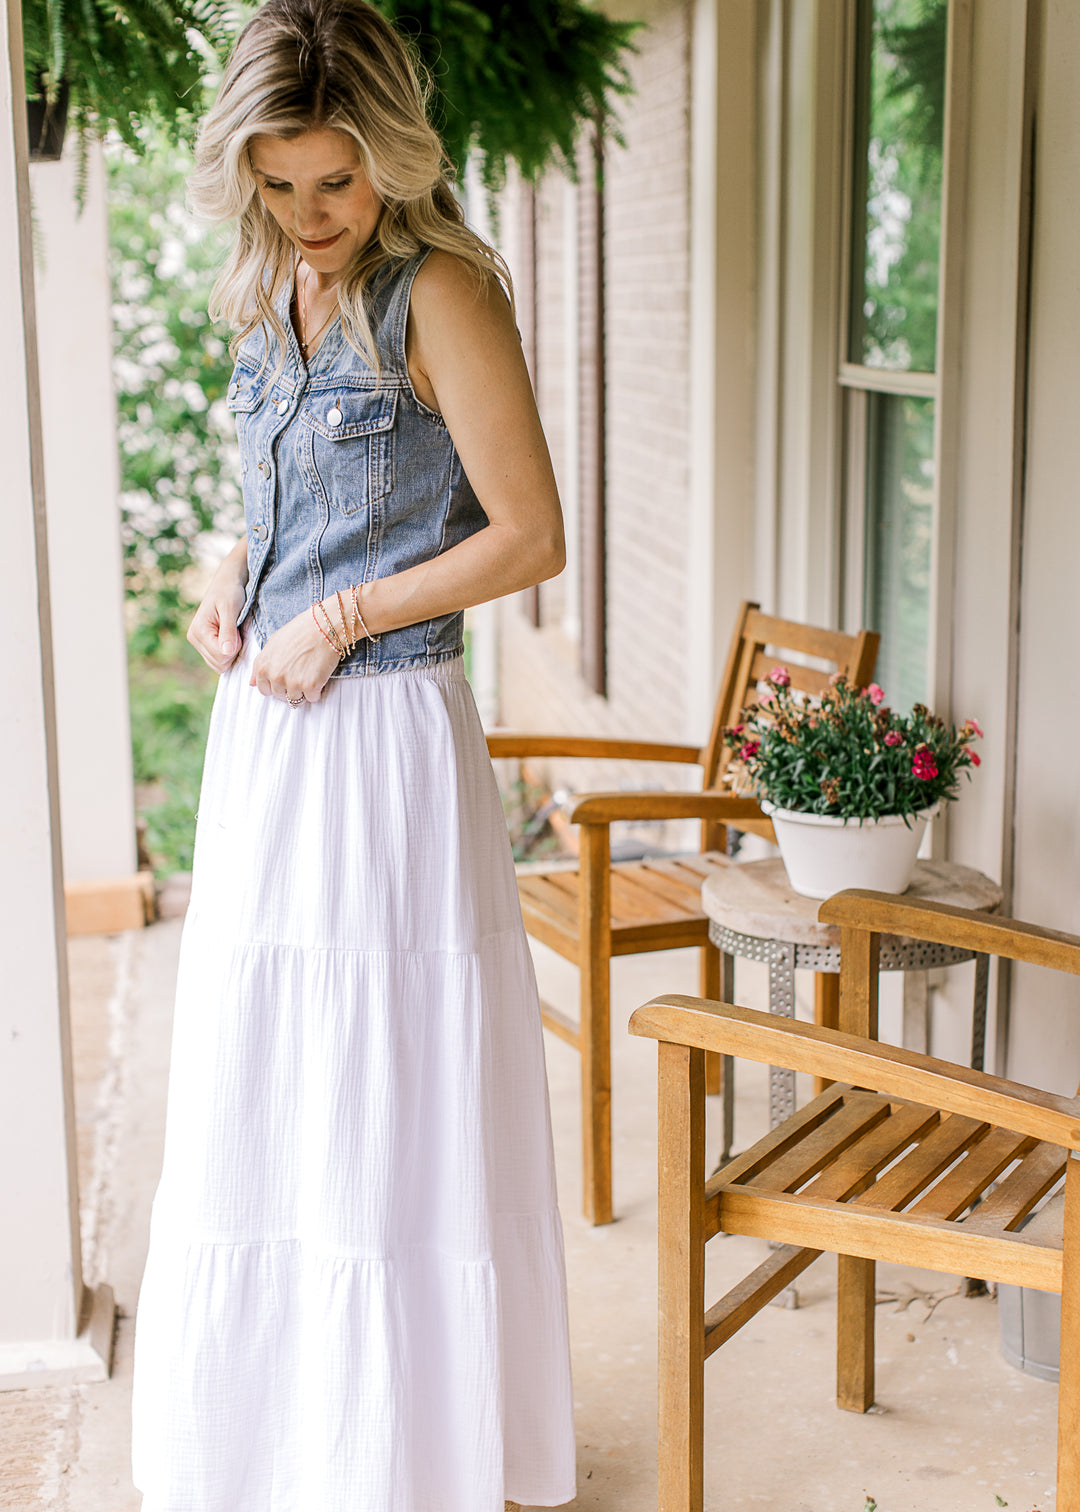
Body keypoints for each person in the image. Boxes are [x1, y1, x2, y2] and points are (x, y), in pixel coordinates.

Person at [128, 3, 577, 1509]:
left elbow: (530, 534)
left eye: (335, 182)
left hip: (380, 734)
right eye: (278, 183)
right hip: (268, 739)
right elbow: (266, 485)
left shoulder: (437, 291)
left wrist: (345, 618)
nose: (309, 218)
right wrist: (226, 564)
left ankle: (400, 1458)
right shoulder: (267, 288)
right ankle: (284, 1449)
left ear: (393, 154)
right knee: (271, 1080)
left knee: (380, 1087)